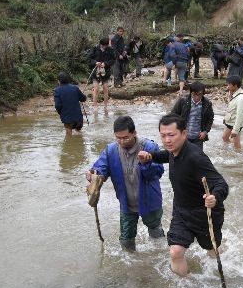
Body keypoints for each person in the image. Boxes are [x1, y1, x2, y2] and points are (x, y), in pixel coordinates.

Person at [138, 113, 228, 277]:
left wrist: (214, 197)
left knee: (212, 252)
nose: (167, 140)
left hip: (205, 213)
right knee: (175, 252)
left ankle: (220, 266)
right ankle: (184, 285)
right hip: (181, 210)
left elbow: (221, 183)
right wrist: (150, 156)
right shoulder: (173, 151)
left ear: (184, 134)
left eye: (171, 135)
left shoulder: (196, 157)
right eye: (163, 136)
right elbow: (166, 155)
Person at [86, 116, 165, 251]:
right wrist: (94, 175)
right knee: (126, 240)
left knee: (156, 234)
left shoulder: (149, 147)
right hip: (126, 204)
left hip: (150, 201)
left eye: (125, 137)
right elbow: (101, 168)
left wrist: (146, 162)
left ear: (134, 133)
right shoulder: (111, 151)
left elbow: (158, 172)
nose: (122, 141)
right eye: (118, 138)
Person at [171, 81, 214, 150]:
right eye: (194, 94)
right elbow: (173, 116)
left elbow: (210, 119)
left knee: (198, 158)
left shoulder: (207, 104)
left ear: (203, 94)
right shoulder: (183, 101)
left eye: (199, 94)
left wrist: (205, 132)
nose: (197, 97)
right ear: (191, 92)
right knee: (182, 157)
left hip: (198, 138)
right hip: (183, 137)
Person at [54, 72, 87, 137]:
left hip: (67, 119)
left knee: (69, 137)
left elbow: (57, 105)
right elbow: (83, 99)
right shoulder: (75, 88)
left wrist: (61, 113)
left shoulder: (57, 90)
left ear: (59, 81)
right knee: (79, 133)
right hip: (79, 118)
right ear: (68, 80)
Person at [88, 37, 115, 111]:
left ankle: (105, 106)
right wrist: (95, 62)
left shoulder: (110, 50)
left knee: (106, 89)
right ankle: (95, 106)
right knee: (96, 89)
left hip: (106, 71)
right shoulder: (94, 48)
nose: (106, 46)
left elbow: (113, 60)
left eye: (107, 45)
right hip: (95, 71)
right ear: (101, 44)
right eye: (105, 45)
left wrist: (105, 64)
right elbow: (89, 59)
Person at [222, 75, 243, 152]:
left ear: (235, 85)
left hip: (235, 124)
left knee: (237, 145)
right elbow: (230, 108)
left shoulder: (241, 98)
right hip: (230, 122)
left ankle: (239, 157)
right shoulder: (233, 93)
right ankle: (230, 150)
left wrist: (235, 130)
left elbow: (240, 115)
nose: (227, 86)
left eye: (229, 84)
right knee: (224, 138)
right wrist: (225, 118)